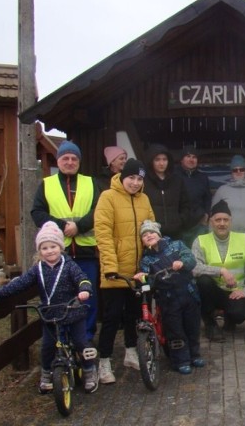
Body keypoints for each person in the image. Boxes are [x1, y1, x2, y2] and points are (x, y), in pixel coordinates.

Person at [0, 222, 98, 394]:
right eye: (45, 248)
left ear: (60, 247)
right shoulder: (37, 269)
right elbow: (20, 284)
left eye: (53, 246)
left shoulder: (69, 265)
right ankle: (46, 374)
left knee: (80, 342)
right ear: (40, 251)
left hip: (72, 310)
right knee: (47, 346)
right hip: (50, 314)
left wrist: (84, 289)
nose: (50, 251)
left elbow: (82, 278)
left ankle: (89, 371)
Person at [31, 140, 100, 342]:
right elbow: (37, 212)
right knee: (60, 299)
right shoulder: (46, 184)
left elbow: (100, 209)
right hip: (58, 256)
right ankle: (63, 341)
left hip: (86, 253)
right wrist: (63, 227)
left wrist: (79, 227)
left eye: (74, 158)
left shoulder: (90, 182)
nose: (70, 162)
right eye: (65, 158)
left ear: (79, 161)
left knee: (88, 297)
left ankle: (86, 339)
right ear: (58, 160)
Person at [94, 158, 155, 384]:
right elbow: (103, 233)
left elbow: (150, 231)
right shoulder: (107, 197)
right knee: (111, 318)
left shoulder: (144, 199)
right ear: (122, 177)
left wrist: (152, 258)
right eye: (131, 177)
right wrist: (110, 267)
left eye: (139, 179)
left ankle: (131, 352)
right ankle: (104, 361)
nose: (135, 183)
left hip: (138, 271)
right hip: (115, 271)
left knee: (134, 315)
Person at [191, 200, 245, 342]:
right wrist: (221, 271)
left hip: (235, 292)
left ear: (231, 221)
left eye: (225, 220)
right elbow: (194, 267)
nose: (222, 223)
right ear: (211, 221)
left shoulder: (243, 239)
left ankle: (230, 320)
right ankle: (210, 324)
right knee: (203, 281)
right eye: (218, 220)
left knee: (239, 314)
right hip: (212, 291)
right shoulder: (200, 241)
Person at [133, 220, 204, 375]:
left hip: (188, 293)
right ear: (142, 242)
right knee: (175, 331)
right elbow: (150, 282)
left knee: (192, 327)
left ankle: (195, 355)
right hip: (168, 300)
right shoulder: (146, 260)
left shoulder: (177, 245)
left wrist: (182, 262)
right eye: (144, 235)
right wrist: (143, 278)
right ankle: (181, 360)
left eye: (151, 232)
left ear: (158, 234)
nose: (148, 236)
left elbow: (191, 260)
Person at [142, 144, 191, 241]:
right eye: (157, 160)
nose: (161, 163)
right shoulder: (144, 181)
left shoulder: (177, 180)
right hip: (152, 235)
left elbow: (185, 204)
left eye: (164, 159)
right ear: (151, 161)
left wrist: (180, 221)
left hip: (176, 234)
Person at [211, 154, 245, 243]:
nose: (238, 172)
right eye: (235, 170)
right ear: (231, 172)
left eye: (242, 169)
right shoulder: (222, 190)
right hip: (227, 237)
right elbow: (213, 215)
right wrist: (211, 236)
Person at [175, 146, 212, 247]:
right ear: (181, 160)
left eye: (194, 157)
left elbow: (208, 198)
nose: (191, 159)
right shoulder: (173, 176)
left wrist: (206, 215)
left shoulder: (203, 177)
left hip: (199, 225)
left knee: (199, 257)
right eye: (188, 156)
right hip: (180, 226)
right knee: (181, 258)